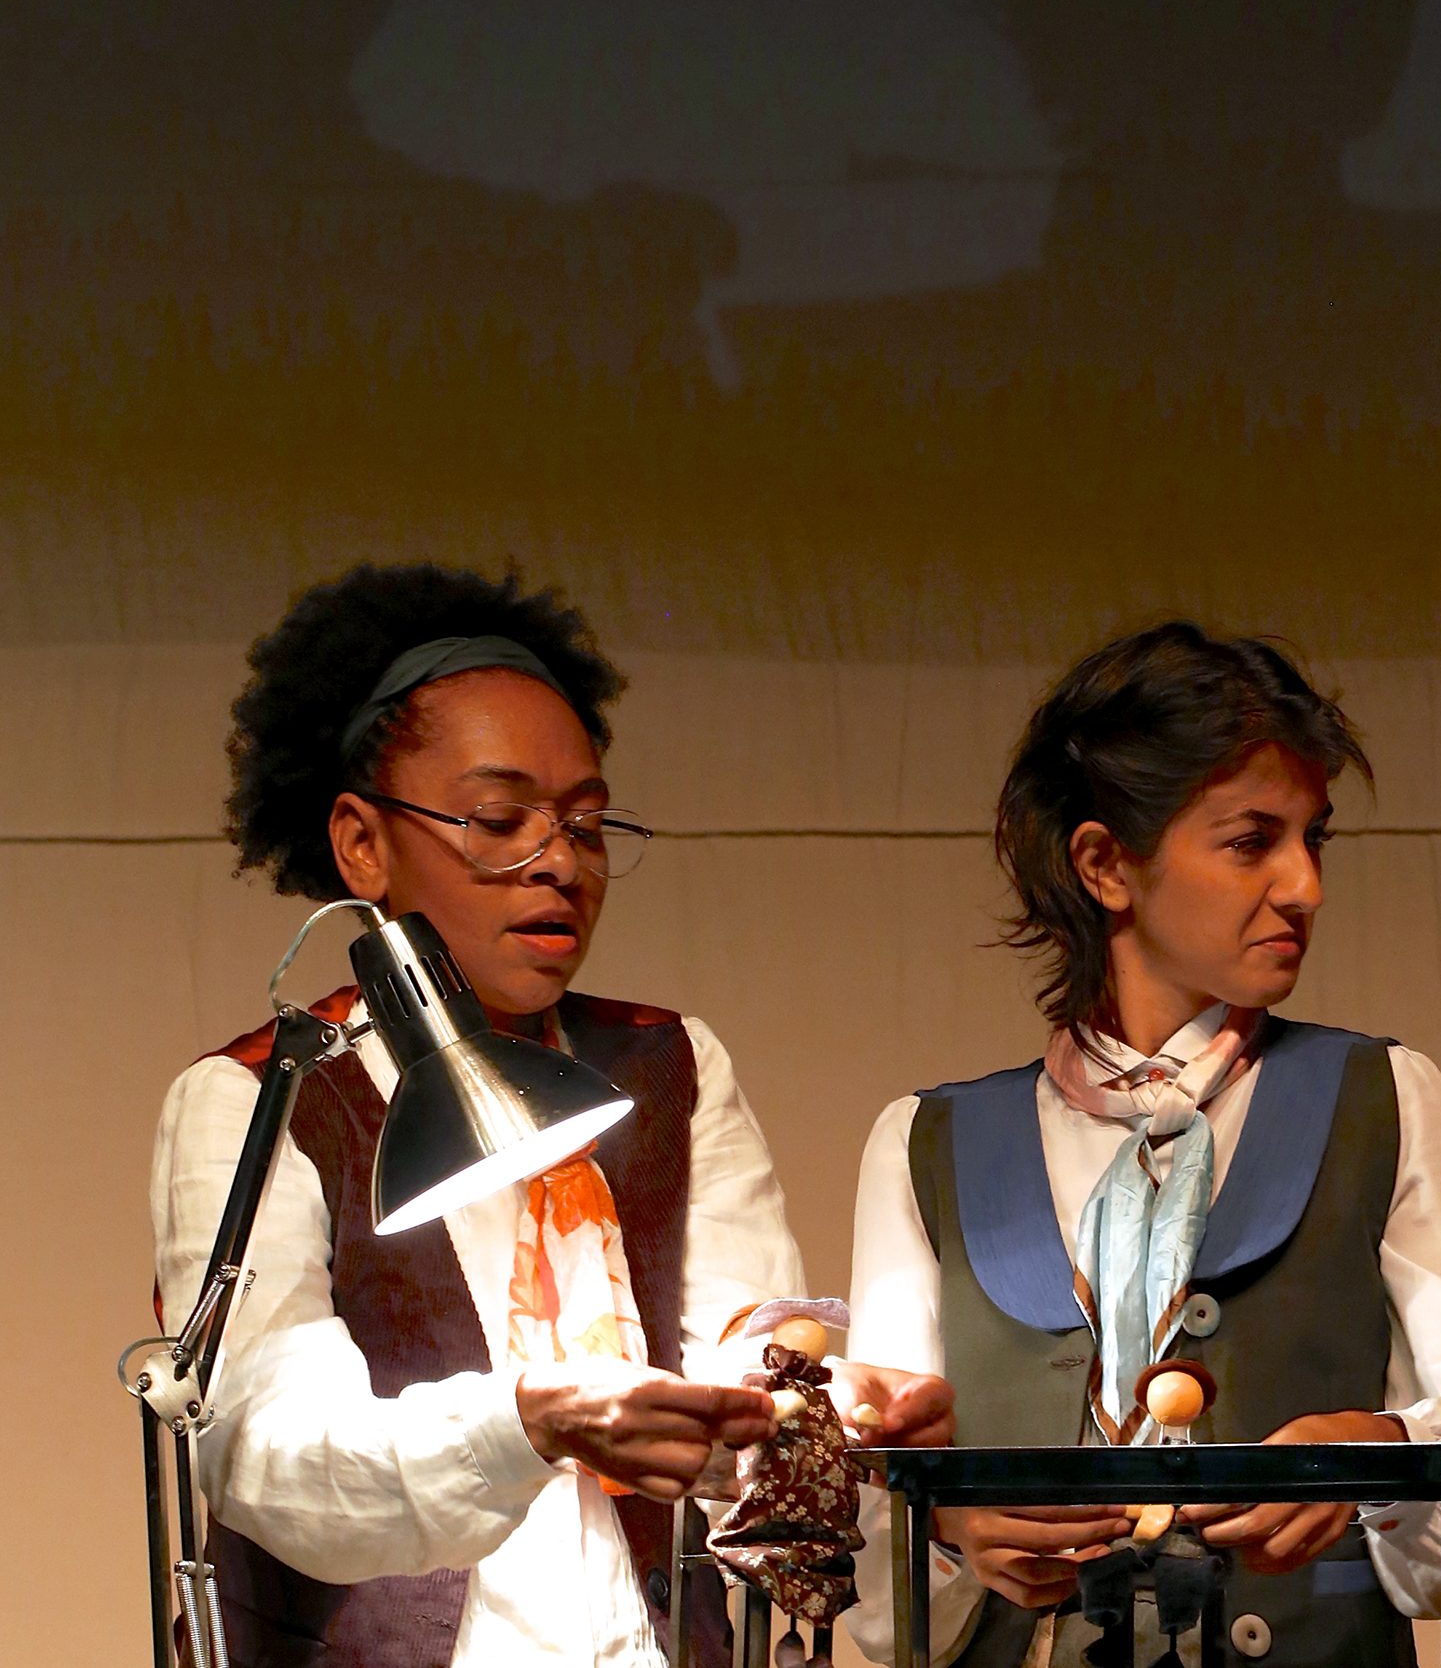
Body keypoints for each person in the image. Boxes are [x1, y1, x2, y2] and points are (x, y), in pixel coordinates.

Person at [150, 562, 947, 1667]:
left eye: (585, 822)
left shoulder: (669, 1066)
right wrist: (524, 1421)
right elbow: (271, 1457)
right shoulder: (263, 1094)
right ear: (363, 843)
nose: (560, 862)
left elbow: (739, 1365)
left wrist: (807, 1411)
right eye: (499, 820)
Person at [843, 621, 1441, 1666]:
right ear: (1105, 864)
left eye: (1314, 840)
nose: (1304, 885)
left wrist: (1381, 1451)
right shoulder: (928, 1144)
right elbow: (873, 1528)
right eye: (1252, 841)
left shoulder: (1380, 1097)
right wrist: (949, 1528)